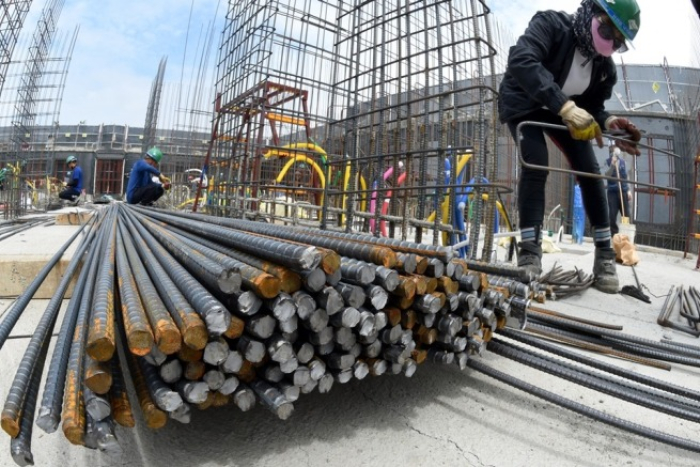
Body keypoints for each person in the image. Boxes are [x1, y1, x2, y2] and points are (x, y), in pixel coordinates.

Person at [498, 0, 642, 293]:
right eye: (606, 30)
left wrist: (609, 122)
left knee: (590, 171)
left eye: (618, 42)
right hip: (526, 102)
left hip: (563, 111)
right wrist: (563, 106)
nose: (609, 43)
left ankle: (604, 256)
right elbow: (522, 60)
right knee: (535, 160)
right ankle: (529, 253)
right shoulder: (552, 25)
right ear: (590, 11)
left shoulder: (604, 69)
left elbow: (592, 108)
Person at [605, 146, 632, 235]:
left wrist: (628, 190)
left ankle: (625, 235)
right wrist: (612, 165)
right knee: (612, 216)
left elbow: (625, 177)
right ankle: (614, 235)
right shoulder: (607, 162)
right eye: (614, 153)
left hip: (623, 191)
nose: (616, 155)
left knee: (626, 215)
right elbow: (606, 175)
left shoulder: (623, 163)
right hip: (612, 193)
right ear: (611, 153)